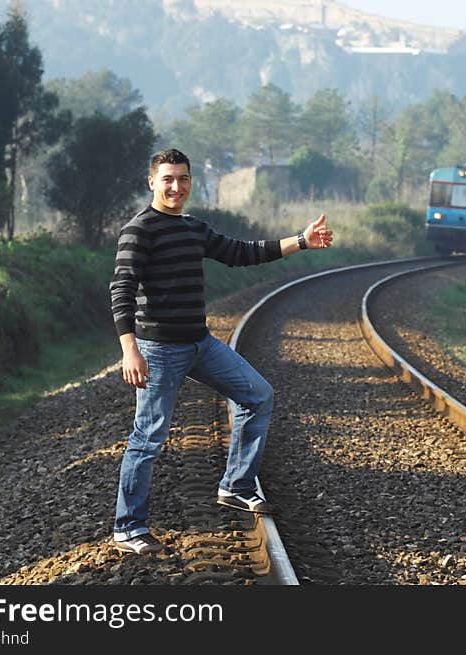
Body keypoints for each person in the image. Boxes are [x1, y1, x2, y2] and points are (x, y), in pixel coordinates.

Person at [109, 148, 333, 554]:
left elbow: (241, 252)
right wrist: (130, 349)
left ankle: (236, 485)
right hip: (157, 349)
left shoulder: (193, 228)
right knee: (149, 436)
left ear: (191, 181)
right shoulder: (138, 231)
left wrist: (300, 241)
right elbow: (121, 289)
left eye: (183, 179)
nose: (176, 187)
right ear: (152, 183)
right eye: (168, 179)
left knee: (257, 395)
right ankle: (128, 526)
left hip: (199, 343)